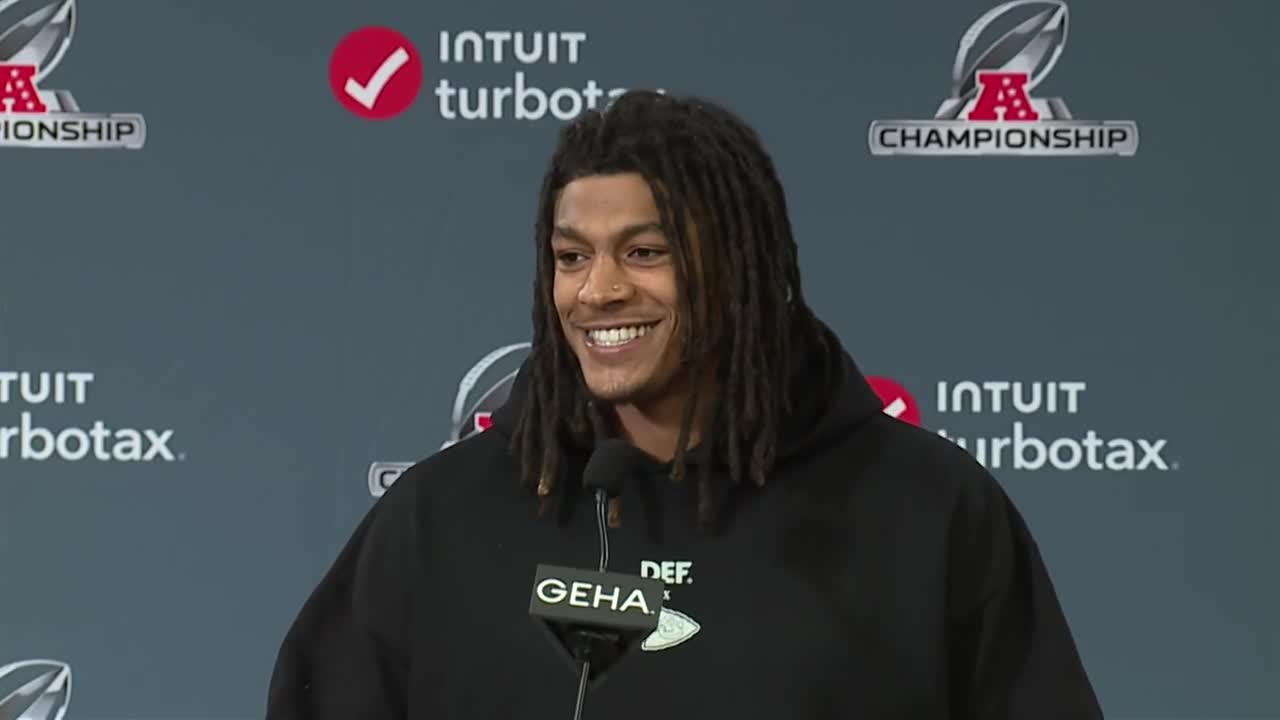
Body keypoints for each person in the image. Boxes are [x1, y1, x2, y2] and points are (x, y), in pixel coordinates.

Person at [265, 89, 1104, 719]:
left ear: (742, 266)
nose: (598, 291)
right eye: (571, 257)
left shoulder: (928, 509)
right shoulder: (440, 518)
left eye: (645, 251)